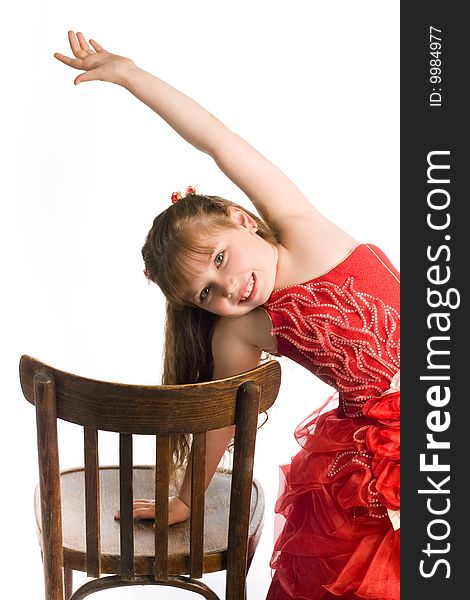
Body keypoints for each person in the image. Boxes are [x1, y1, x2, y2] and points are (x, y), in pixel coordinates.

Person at [54, 31, 400, 600]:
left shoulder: (300, 227)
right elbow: (220, 414)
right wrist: (186, 499)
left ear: (242, 219)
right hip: (381, 449)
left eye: (219, 261)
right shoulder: (244, 329)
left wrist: (131, 75)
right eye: (206, 294)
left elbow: (218, 141)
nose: (228, 290)